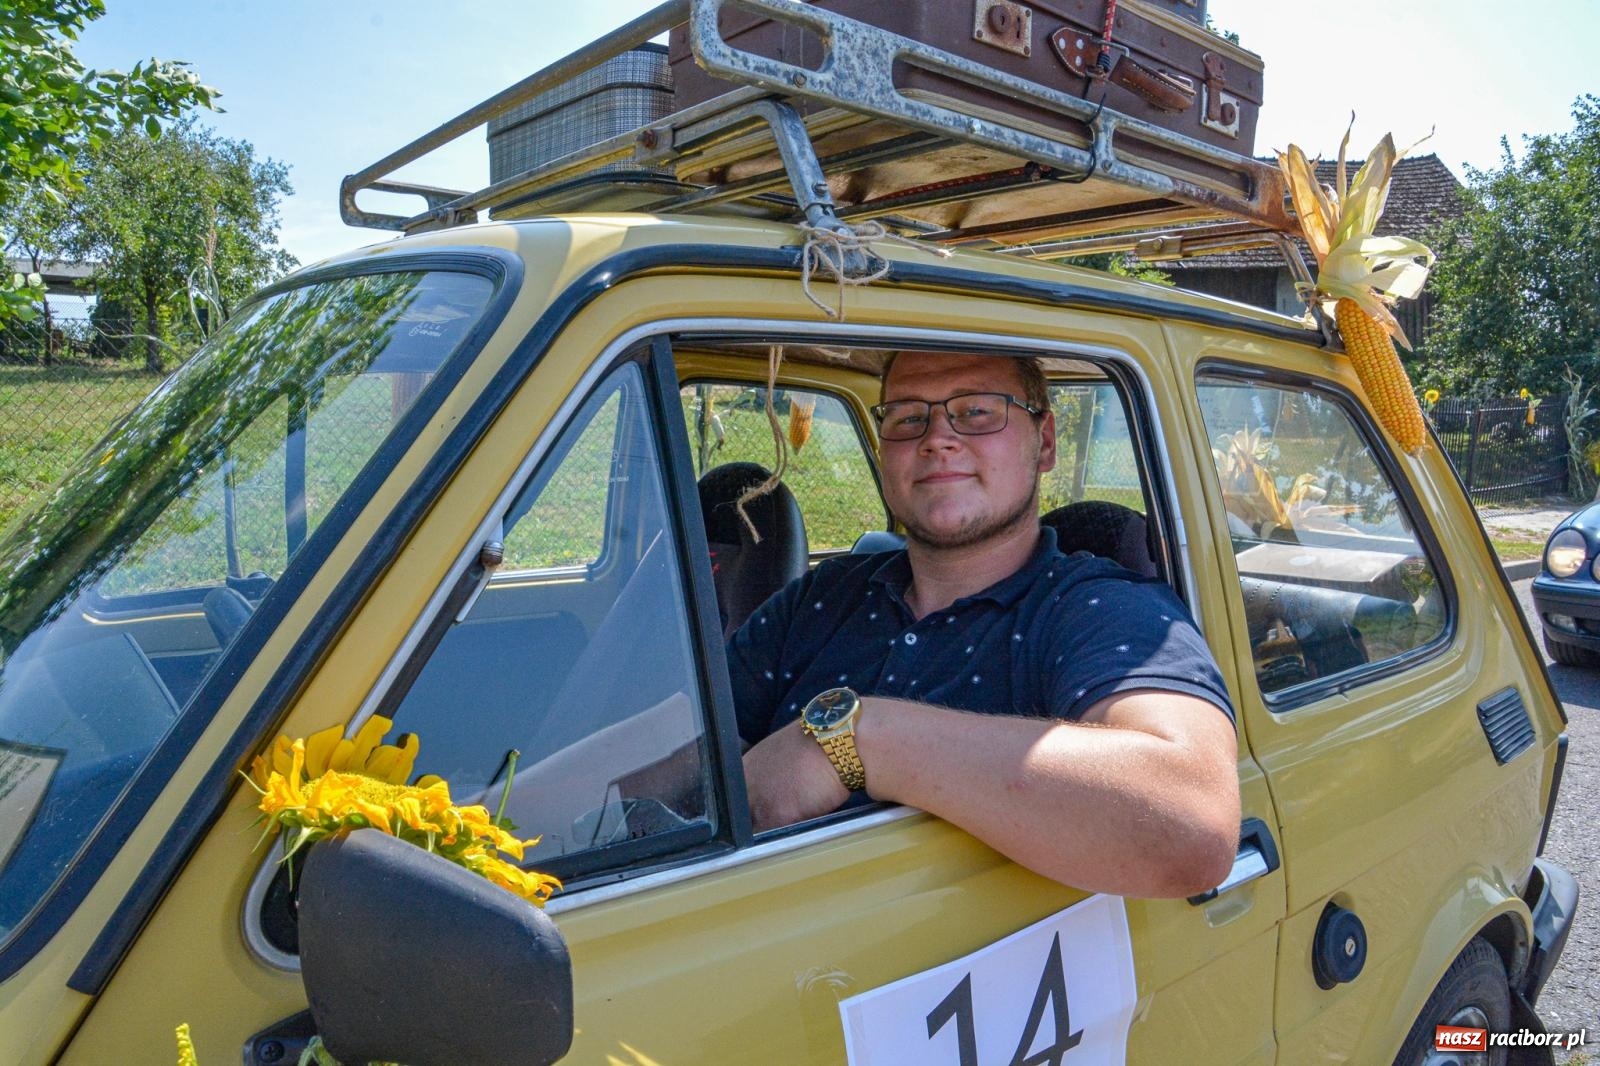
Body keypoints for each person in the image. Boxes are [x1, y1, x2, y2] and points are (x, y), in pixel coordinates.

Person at [727, 350, 1241, 899]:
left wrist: (856, 742)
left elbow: (1192, 825)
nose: (936, 438)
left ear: (1044, 444)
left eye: (976, 412)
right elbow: (686, 749)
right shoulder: (826, 595)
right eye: (907, 417)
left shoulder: (1099, 609)